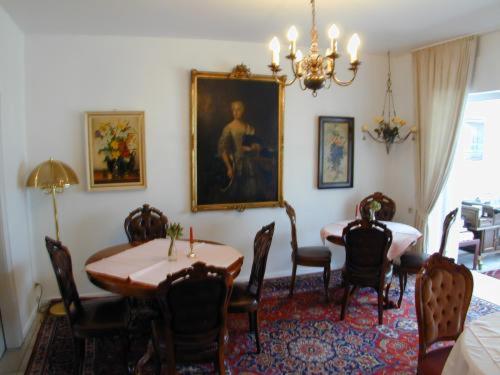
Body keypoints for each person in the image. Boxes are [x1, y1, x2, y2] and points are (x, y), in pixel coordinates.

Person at [218, 101, 263, 201]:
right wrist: (229, 167)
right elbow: (223, 150)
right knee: (236, 193)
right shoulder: (229, 128)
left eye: (238, 109)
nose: (235, 112)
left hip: (250, 165)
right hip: (236, 164)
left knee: (251, 193)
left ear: (243, 111)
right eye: (233, 109)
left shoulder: (249, 127)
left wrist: (254, 148)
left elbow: (256, 146)